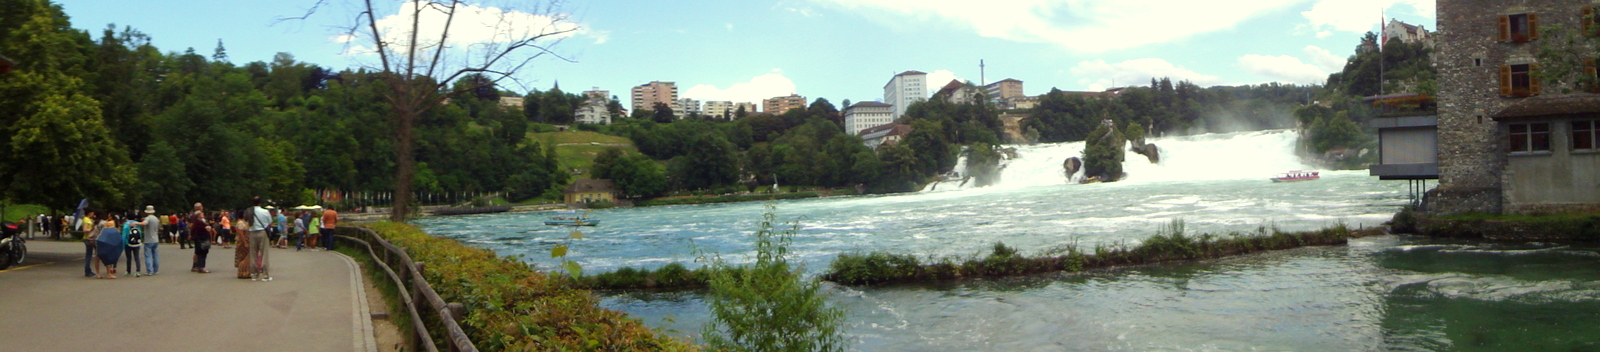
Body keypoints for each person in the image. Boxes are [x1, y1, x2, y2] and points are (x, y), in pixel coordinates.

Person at [246, 198, 272, 281]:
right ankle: (265, 275)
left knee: (253, 254)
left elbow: (246, 221)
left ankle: (254, 274)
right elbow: (269, 222)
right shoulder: (265, 211)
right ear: (260, 203)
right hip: (262, 232)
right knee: (264, 253)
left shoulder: (248, 211)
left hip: (252, 232)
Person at [188, 203, 212, 273]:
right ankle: (197, 265)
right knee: (199, 252)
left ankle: (198, 265)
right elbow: (193, 226)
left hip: (199, 236)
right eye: (201, 206)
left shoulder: (200, 219)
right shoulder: (195, 217)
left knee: (198, 252)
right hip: (200, 237)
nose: (202, 207)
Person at [136, 206, 161, 275]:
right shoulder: (156, 219)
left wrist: (136, 223)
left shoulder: (148, 218)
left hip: (149, 239)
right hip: (156, 239)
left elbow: (144, 223)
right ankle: (155, 270)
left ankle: (149, 270)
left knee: (148, 255)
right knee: (155, 255)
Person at [232, 212, 251, 279]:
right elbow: (241, 233)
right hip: (242, 242)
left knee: (246, 256)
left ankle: (246, 271)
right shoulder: (240, 223)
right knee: (242, 256)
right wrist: (244, 242)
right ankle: (242, 272)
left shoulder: (244, 222)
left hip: (246, 240)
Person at [80, 211, 98, 277]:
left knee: (89, 254)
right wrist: (92, 229)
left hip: (91, 237)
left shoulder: (89, 219)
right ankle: (87, 270)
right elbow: (84, 229)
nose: (93, 214)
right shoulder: (86, 219)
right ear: (89, 213)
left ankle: (88, 270)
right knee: (89, 255)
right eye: (92, 213)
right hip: (88, 238)